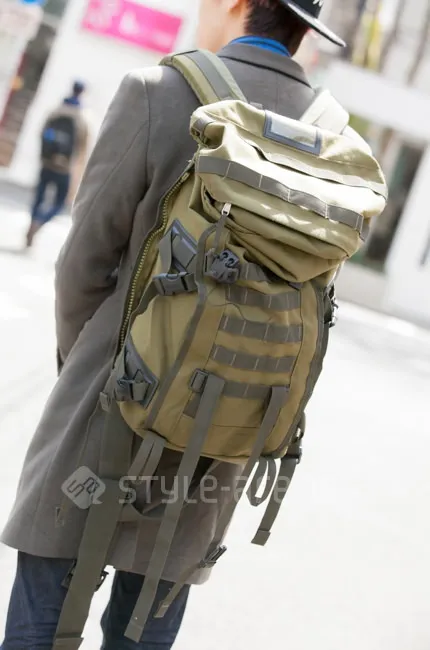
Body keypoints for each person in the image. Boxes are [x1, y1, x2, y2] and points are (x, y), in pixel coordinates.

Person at [1, 1, 346, 648]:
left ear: (238, 4)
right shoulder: (330, 137)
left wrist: (85, 364)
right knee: (145, 629)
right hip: (219, 433)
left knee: (43, 618)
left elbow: (83, 265)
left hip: (109, 399)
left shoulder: (159, 91)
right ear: (306, 28)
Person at [25, 80, 89, 248]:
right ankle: (40, 222)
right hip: (64, 169)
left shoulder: (55, 112)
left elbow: (42, 134)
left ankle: (33, 221)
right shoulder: (82, 118)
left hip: (46, 164)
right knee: (60, 203)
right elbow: (82, 149)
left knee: (39, 198)